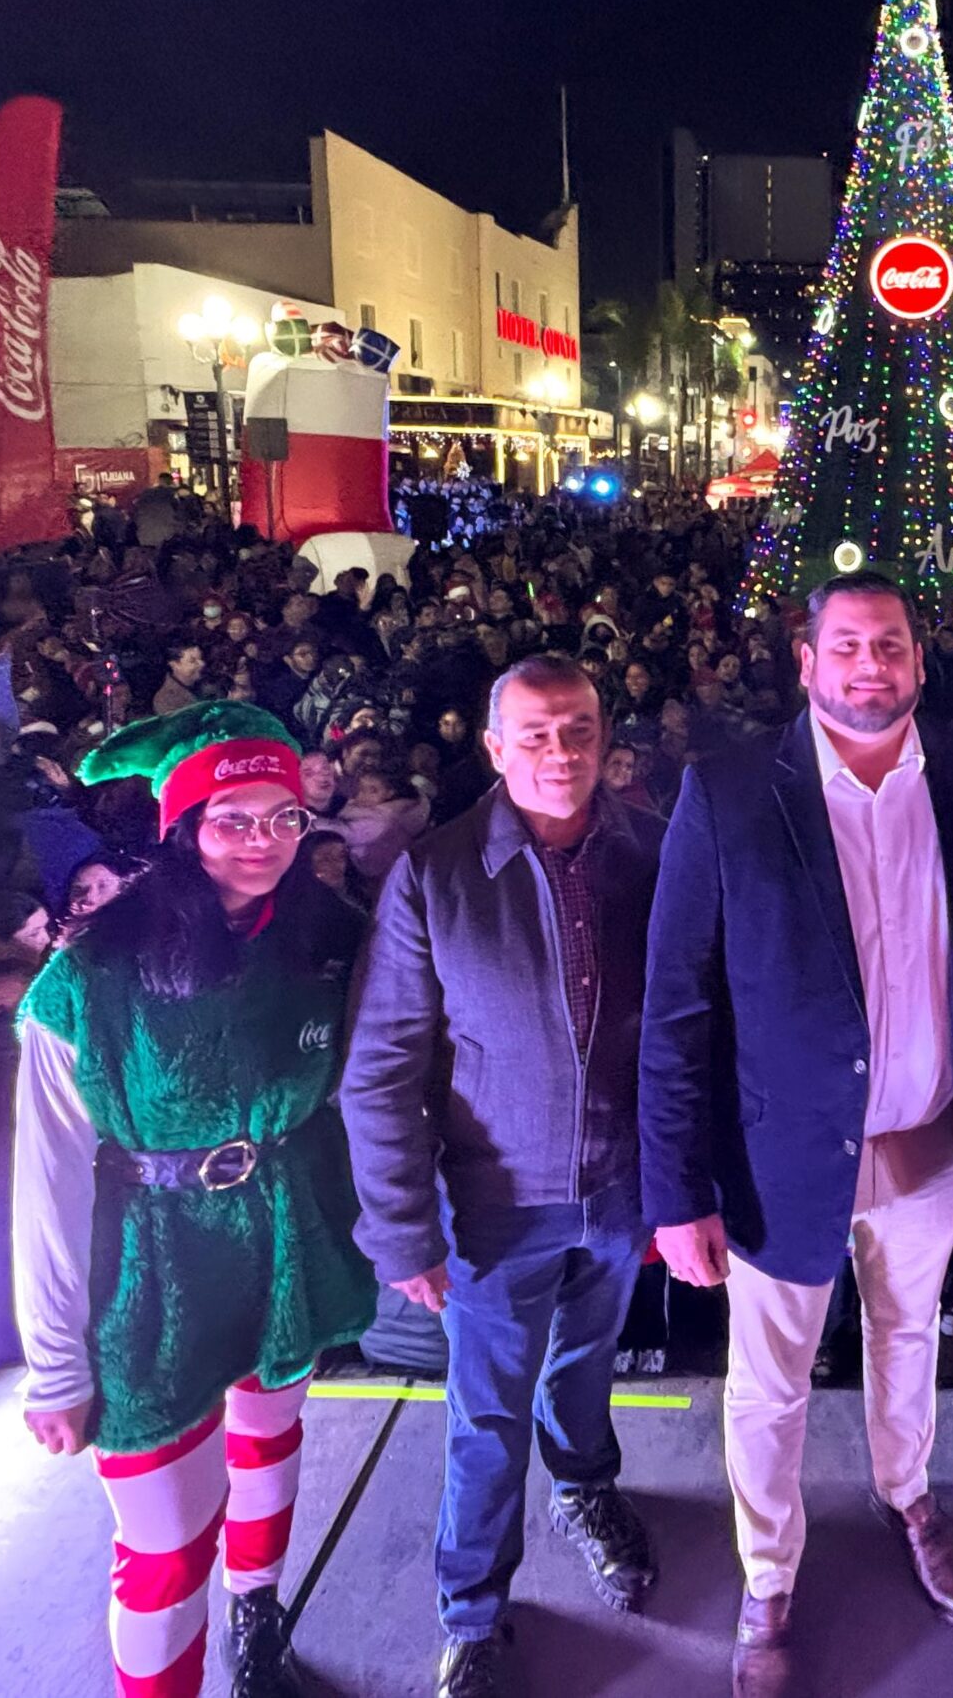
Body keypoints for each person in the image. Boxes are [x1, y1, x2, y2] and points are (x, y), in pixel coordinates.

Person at [641, 572, 953, 1698]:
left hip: (932, 1145)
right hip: (777, 1163)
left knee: (910, 1341)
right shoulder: (724, 792)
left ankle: (908, 1495)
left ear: (919, 662)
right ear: (806, 663)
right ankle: (768, 1576)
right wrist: (677, 1191)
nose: (872, 666)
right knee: (767, 1385)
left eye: (892, 646)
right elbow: (677, 1004)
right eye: (847, 646)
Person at [10, 701, 376, 1698]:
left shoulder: (333, 937)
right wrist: (52, 1365)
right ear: (182, 827)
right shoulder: (91, 971)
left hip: (285, 1237)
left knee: (269, 1440)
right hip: (149, 1267)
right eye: (232, 817)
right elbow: (44, 1179)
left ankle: (257, 1624)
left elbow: (371, 1091)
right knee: (168, 1542)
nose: (263, 841)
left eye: (283, 816)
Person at [343, 657, 666, 1698]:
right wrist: (401, 1228)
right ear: (492, 747)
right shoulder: (433, 874)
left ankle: (585, 1485)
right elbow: (382, 1068)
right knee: (486, 1415)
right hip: (492, 1207)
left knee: (586, 1367)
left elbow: (691, 1038)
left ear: (604, 734)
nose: (558, 752)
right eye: (533, 733)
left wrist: (681, 1191)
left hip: (622, 1194)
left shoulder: (653, 858)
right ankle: (473, 1610)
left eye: (575, 729)